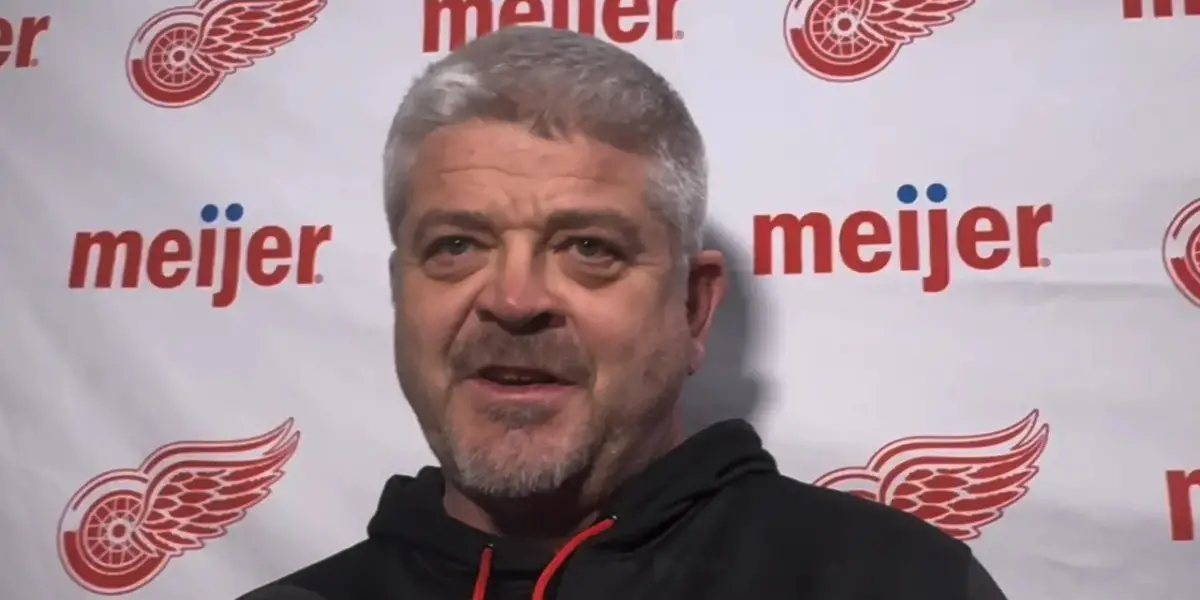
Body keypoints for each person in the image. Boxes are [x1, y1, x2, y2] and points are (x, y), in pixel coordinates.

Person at [240, 26, 1009, 600]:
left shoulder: (899, 585)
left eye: (587, 247)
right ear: (400, 291)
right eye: (455, 246)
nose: (514, 301)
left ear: (692, 307)